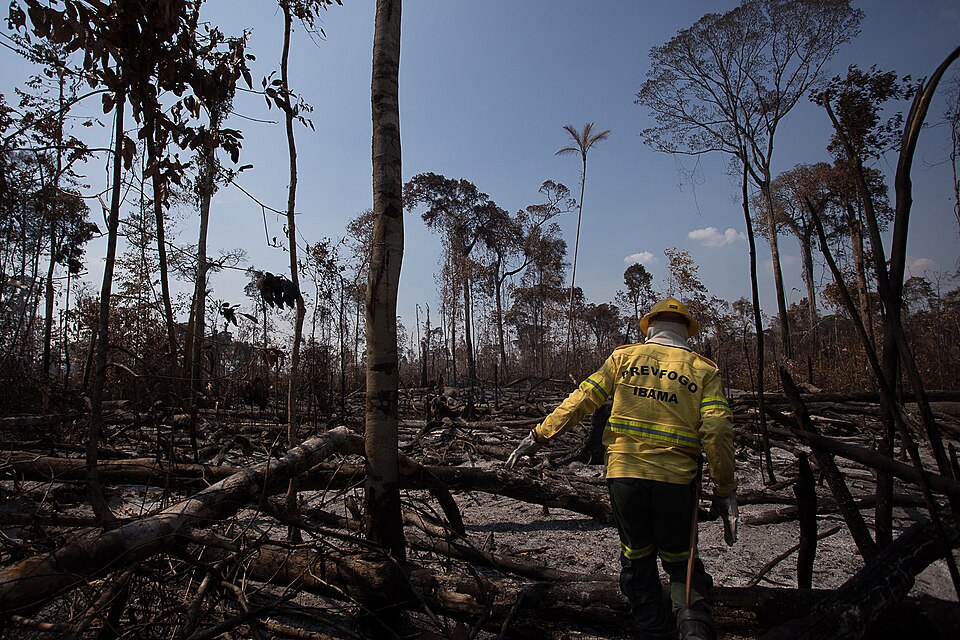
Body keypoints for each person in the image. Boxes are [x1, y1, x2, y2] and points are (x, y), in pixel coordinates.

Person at [507, 298, 738, 640]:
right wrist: (725, 490)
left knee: (637, 558)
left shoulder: (623, 358)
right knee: (681, 562)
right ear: (686, 331)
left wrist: (539, 435)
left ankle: (650, 630)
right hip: (676, 483)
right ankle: (693, 628)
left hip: (624, 478)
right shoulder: (704, 370)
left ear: (649, 327)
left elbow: (581, 399)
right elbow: (718, 430)